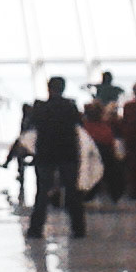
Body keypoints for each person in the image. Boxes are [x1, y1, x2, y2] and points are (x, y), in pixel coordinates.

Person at [25, 77, 86, 240]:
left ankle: (36, 229)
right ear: (63, 88)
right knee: (72, 191)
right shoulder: (70, 107)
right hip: (68, 153)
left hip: (45, 153)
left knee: (42, 192)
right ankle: (78, 228)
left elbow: (31, 125)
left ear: (48, 88)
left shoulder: (40, 107)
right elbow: (80, 125)